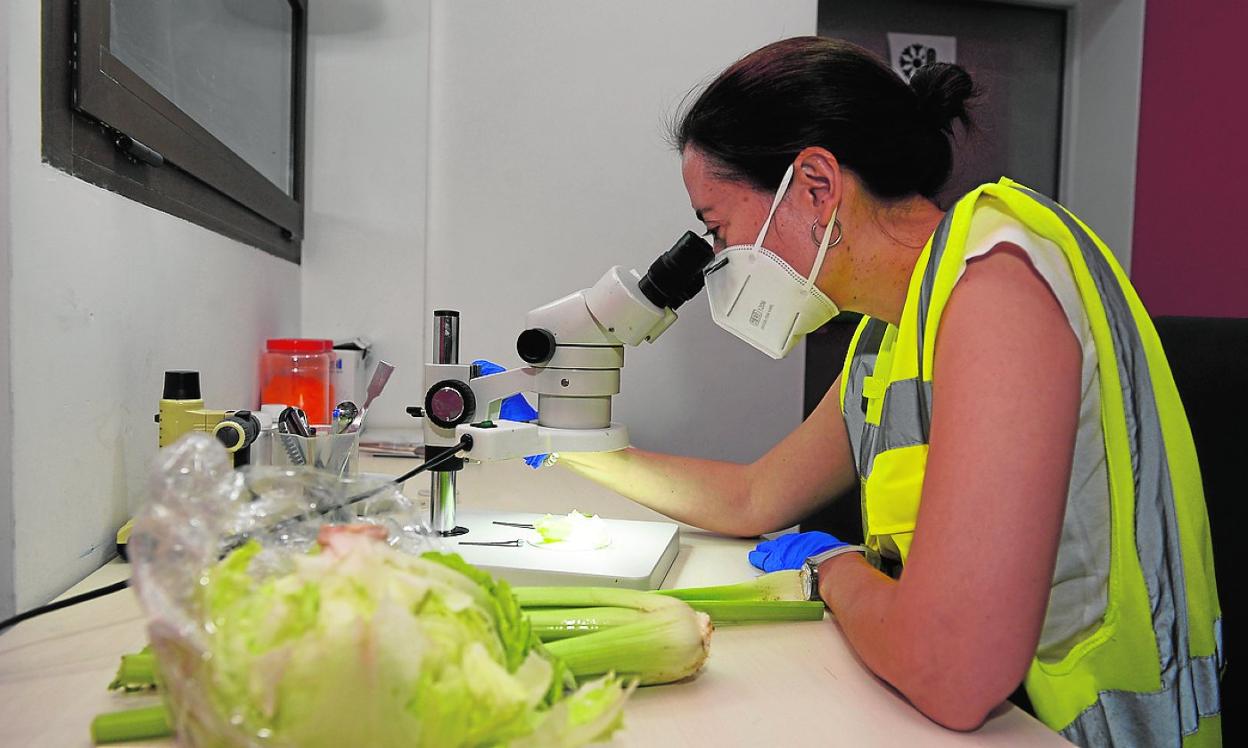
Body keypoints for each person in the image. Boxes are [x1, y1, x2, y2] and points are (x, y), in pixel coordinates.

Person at [555, 37, 1222, 746]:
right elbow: (753, 495)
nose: (718, 263)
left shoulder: (997, 288)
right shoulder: (891, 331)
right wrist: (567, 443)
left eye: (719, 230)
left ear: (815, 184)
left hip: (1084, 730)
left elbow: (952, 672)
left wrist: (833, 567)